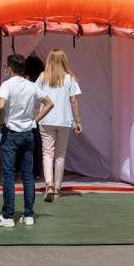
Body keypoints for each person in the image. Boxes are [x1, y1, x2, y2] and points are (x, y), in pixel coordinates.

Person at [0, 54, 53, 228]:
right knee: (28, 175)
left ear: (9, 68)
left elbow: (0, 105)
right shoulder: (31, 86)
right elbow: (49, 103)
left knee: (9, 175)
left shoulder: (7, 85)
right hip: (28, 132)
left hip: (11, 132)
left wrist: (2, 123)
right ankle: (29, 214)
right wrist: (34, 120)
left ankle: (8, 216)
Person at [35, 49, 83, 202]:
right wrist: (78, 121)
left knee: (47, 152)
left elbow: (35, 96)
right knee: (60, 155)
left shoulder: (43, 77)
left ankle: (48, 184)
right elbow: (74, 101)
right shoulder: (69, 79)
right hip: (64, 120)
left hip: (46, 119)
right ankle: (57, 188)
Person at [24, 55, 45, 179]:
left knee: (21, 144)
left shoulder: (24, 82)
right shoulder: (43, 80)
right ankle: (36, 172)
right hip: (40, 116)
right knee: (37, 145)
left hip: (26, 115)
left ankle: (17, 169)